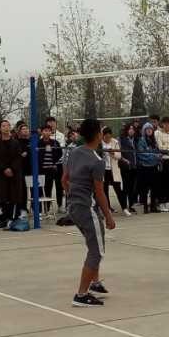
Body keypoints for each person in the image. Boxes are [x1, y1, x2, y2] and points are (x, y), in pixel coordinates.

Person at [62, 118, 115, 307]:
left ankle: (95, 283)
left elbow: (64, 180)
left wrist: (73, 196)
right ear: (98, 135)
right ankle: (81, 295)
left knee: (93, 244)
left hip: (74, 207)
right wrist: (108, 216)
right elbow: (99, 193)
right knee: (97, 251)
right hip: (86, 208)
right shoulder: (97, 161)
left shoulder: (74, 152)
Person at [0, 120, 23, 227]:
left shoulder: (15, 143)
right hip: (1, 174)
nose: (6, 127)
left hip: (14, 174)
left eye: (8, 125)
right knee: (0, 197)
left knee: (14, 196)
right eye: (3, 126)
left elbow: (18, 157)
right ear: (0, 128)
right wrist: (4, 169)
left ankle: (13, 218)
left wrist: (12, 169)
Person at [101, 127, 131, 216]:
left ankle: (124, 208)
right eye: (106, 137)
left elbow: (119, 156)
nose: (108, 138)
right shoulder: (99, 143)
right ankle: (107, 209)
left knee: (118, 189)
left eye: (109, 137)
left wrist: (113, 153)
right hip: (103, 169)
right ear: (103, 136)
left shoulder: (115, 142)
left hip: (113, 169)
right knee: (104, 190)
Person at [136, 122, 161, 213]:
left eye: (151, 129)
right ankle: (145, 207)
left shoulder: (154, 141)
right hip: (145, 167)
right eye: (147, 129)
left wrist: (157, 156)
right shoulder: (141, 140)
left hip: (154, 167)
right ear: (144, 131)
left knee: (155, 187)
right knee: (145, 188)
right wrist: (154, 156)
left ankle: (153, 206)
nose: (149, 131)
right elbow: (141, 154)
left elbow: (157, 152)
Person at [38, 125, 64, 214]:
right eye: (45, 130)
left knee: (58, 187)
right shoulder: (38, 143)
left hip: (53, 169)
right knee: (46, 189)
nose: (47, 132)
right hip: (43, 170)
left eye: (49, 131)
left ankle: (60, 205)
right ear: (42, 132)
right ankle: (46, 208)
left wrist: (54, 163)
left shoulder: (55, 143)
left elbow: (60, 153)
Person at [118, 124, 139, 211]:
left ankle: (131, 205)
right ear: (126, 130)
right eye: (130, 129)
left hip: (134, 166)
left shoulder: (135, 140)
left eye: (133, 129)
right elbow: (120, 152)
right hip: (126, 166)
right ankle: (124, 206)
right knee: (126, 187)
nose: (131, 130)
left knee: (133, 187)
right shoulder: (122, 139)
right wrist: (125, 160)